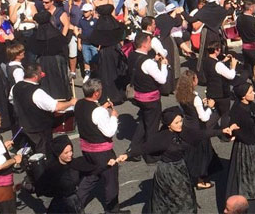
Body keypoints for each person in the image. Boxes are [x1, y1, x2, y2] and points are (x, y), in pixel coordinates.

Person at [118, 107, 219, 213]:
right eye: (176, 122)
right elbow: (144, 148)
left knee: (184, 198)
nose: (180, 124)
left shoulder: (183, 131)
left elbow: (200, 134)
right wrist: (127, 155)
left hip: (180, 169)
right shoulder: (162, 138)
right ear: (169, 124)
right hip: (167, 173)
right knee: (170, 199)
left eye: (181, 121)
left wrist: (221, 131)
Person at [74, 79, 125, 214]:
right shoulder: (99, 112)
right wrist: (113, 116)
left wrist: (102, 107)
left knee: (91, 175)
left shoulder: (79, 104)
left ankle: (75, 204)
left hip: (86, 148)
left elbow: (91, 116)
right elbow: (109, 131)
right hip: (102, 152)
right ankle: (113, 210)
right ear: (96, 93)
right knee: (111, 181)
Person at [224, 82, 255, 212]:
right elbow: (231, 128)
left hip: (254, 144)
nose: (254, 93)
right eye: (251, 92)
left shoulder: (249, 105)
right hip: (245, 148)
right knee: (247, 177)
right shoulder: (237, 110)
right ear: (243, 96)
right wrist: (237, 135)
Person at [12, 63, 76, 155]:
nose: (42, 74)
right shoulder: (37, 92)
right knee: (44, 152)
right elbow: (56, 106)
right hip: (39, 129)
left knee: (32, 149)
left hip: (24, 126)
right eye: (40, 72)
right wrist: (71, 102)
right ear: (35, 76)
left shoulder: (16, 87)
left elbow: (11, 100)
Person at [175, 70, 221, 190]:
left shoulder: (180, 94)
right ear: (193, 81)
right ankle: (200, 180)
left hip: (187, 127)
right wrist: (210, 107)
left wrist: (202, 104)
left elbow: (184, 110)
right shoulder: (195, 98)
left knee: (191, 154)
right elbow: (204, 117)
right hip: (198, 129)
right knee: (201, 156)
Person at [128, 32, 169, 163]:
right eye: (150, 41)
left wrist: (154, 60)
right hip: (150, 99)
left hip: (138, 96)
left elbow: (141, 67)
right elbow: (162, 79)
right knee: (152, 127)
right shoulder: (147, 63)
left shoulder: (132, 55)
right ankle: (150, 155)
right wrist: (163, 65)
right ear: (145, 43)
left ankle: (134, 149)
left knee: (144, 122)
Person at [0, 108, 22, 213]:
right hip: (2, 185)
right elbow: (0, 165)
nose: (1, 120)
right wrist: (15, 159)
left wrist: (3, 147)